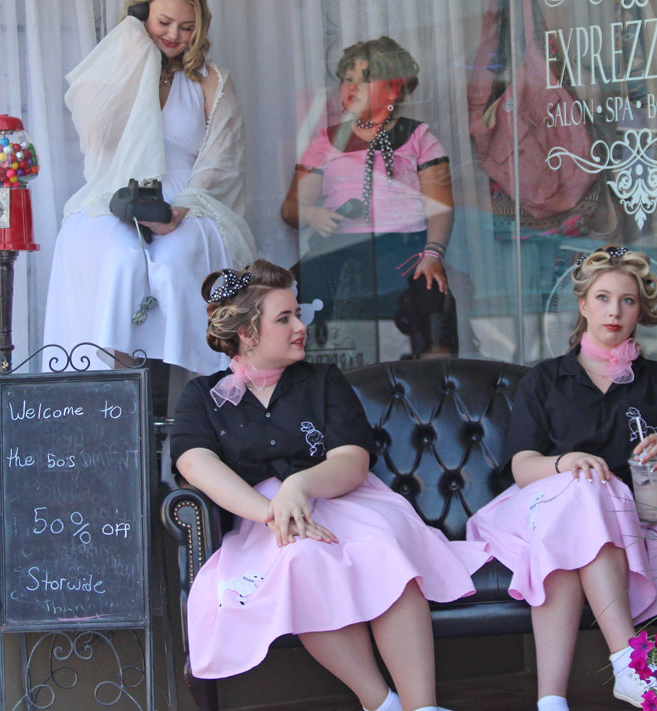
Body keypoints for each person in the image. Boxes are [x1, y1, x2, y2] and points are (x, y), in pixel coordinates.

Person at [169, 259, 489, 711]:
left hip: (344, 500)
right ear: (247, 333)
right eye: (285, 318)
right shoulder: (203, 396)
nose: (301, 327)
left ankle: (424, 707)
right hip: (264, 521)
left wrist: (299, 486)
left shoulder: (322, 381)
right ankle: (382, 703)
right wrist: (274, 512)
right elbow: (195, 462)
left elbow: (351, 461)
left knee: (380, 551)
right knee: (300, 559)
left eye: (297, 314)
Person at [466, 246, 657, 710]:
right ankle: (628, 660)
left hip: (608, 524)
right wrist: (567, 463)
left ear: (641, 311)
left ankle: (550, 702)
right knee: (585, 488)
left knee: (570, 539)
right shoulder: (546, 380)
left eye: (627, 301)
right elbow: (522, 468)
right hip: (532, 509)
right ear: (583, 305)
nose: (614, 311)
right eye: (602, 298)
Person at [43, 0, 255, 375]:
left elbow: (222, 160)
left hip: (190, 198)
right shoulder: (116, 70)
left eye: (187, 27)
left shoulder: (211, 80)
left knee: (175, 262)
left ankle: (195, 397)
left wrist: (180, 210)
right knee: (117, 259)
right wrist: (130, 49)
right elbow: (97, 136)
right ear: (141, 16)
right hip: (116, 194)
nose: (174, 35)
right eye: (164, 22)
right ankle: (115, 392)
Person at [281, 36, 457, 357]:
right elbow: (291, 208)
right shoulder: (326, 140)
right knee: (287, 296)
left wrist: (433, 254)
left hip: (404, 249)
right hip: (339, 249)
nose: (352, 86)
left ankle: (435, 375)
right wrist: (311, 214)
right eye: (347, 78)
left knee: (432, 299)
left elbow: (440, 205)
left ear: (395, 89)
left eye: (366, 79)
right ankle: (306, 374)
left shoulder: (418, 137)